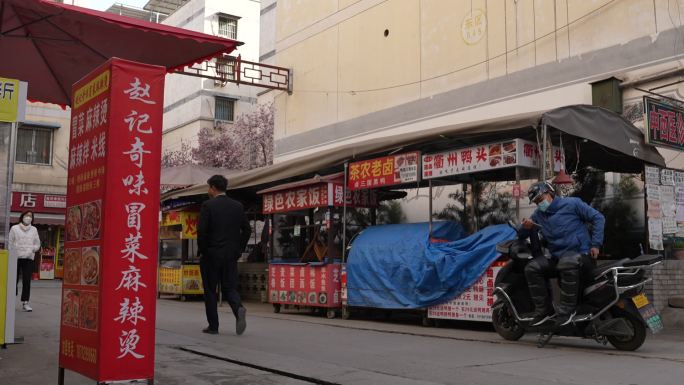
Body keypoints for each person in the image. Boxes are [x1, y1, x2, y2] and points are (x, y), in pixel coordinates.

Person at [519, 181, 605, 327]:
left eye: (541, 199)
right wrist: (525, 227)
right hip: (559, 260)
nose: (540, 204)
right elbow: (522, 233)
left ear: (550, 193)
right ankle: (544, 311)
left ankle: (567, 312)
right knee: (532, 267)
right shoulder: (539, 215)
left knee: (567, 261)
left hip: (582, 256)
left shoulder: (572, 204)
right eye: (536, 202)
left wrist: (596, 244)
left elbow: (598, 218)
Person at [198, 175, 252, 335]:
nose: (208, 191)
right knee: (229, 287)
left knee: (210, 290)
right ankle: (238, 308)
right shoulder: (237, 206)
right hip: (230, 256)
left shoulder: (208, 205)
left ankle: (213, 326)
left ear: (213, 187)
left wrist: (203, 251)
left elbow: (202, 232)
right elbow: (247, 230)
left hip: (211, 255)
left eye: (209, 187)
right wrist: (238, 249)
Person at [8, 210, 41, 312]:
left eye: (31, 216)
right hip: (16, 258)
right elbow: (10, 243)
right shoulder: (14, 228)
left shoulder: (34, 229)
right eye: (27, 215)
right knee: (14, 281)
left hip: (28, 258)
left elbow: (37, 243)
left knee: (27, 281)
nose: (28, 217)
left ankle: (25, 302)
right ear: (22, 216)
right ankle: (11, 301)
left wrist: (32, 249)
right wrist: (13, 253)